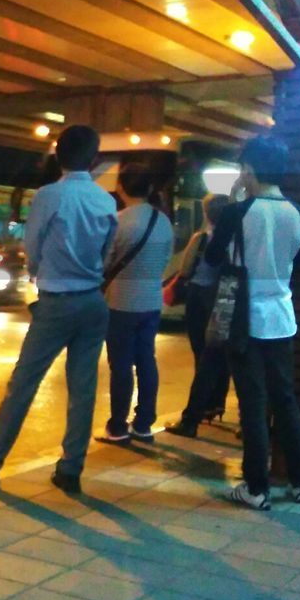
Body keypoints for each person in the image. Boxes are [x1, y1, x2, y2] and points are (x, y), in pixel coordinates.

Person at [0, 125, 116, 495]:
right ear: (93, 159)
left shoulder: (49, 196)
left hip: (57, 301)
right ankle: (70, 469)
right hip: (94, 301)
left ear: (57, 157)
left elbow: (33, 245)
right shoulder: (106, 201)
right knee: (83, 388)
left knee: (23, 385)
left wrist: (40, 276)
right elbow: (108, 252)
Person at [204, 135, 300, 510]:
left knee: (252, 402)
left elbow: (214, 256)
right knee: (284, 398)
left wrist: (233, 203)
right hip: (282, 315)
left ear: (248, 170)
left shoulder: (237, 213)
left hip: (244, 320)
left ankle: (256, 487)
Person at [96, 164, 174, 444]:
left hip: (120, 302)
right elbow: (165, 260)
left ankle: (117, 426)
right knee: (146, 361)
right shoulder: (163, 221)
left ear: (119, 188)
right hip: (152, 301)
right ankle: (143, 424)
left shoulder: (118, 221)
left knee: (121, 366)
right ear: (150, 189)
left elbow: (104, 262)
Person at [166, 194, 234, 437]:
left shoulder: (202, 237)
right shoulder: (233, 240)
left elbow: (185, 269)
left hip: (199, 297)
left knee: (202, 353)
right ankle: (217, 402)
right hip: (222, 297)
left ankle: (197, 411)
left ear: (207, 213)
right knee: (220, 354)